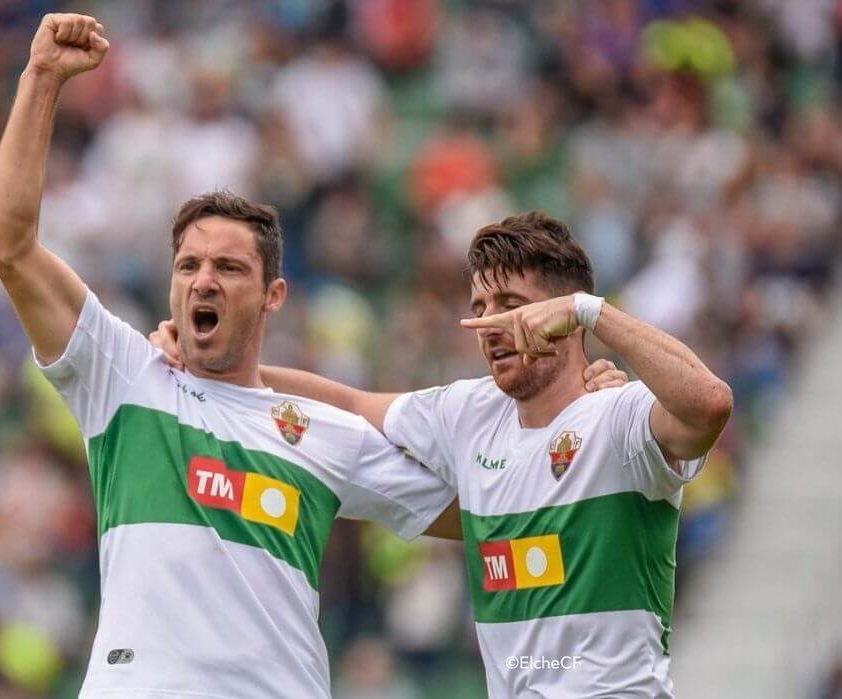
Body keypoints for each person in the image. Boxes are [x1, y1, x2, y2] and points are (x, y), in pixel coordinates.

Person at [0, 14, 464, 698]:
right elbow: (8, 243)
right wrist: (40, 80)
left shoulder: (321, 432)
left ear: (273, 295)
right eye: (188, 265)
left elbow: (484, 514)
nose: (203, 279)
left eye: (229, 268)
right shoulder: (123, 375)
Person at [153, 212, 733, 697]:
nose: (490, 324)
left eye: (510, 305)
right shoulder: (468, 413)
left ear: (560, 314)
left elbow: (709, 403)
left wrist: (593, 311)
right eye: (480, 307)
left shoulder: (621, 416)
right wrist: (219, 369)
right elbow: (354, 402)